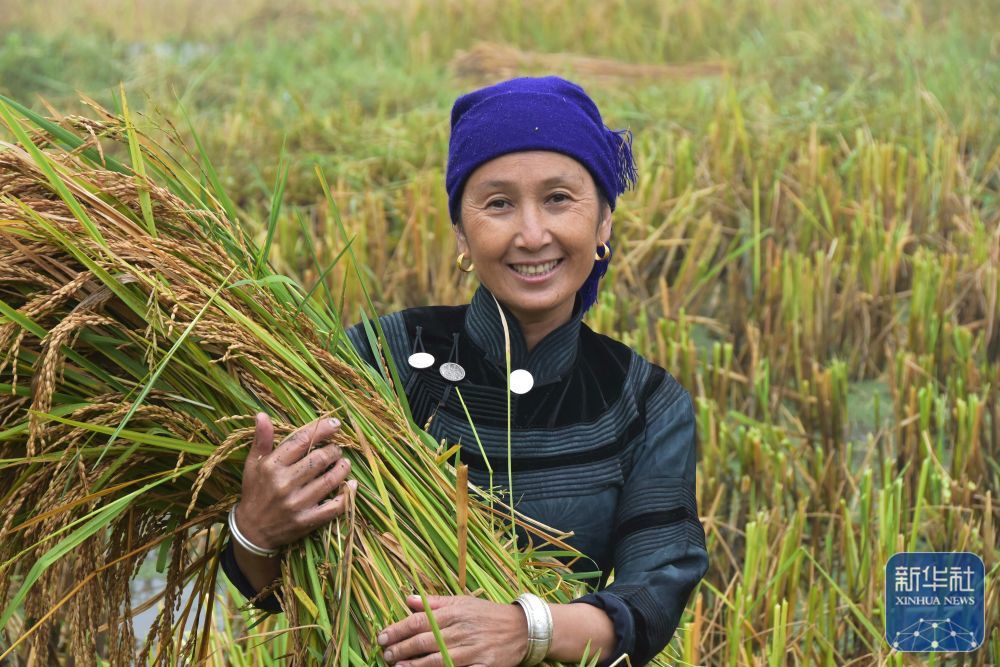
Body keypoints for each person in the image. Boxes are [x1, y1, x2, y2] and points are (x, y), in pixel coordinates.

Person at [222, 76, 709, 667]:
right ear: (461, 230)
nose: (532, 234)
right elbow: (275, 590)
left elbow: (653, 595)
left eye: (559, 198)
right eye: (499, 203)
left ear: (603, 222)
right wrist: (256, 529)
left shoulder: (644, 401)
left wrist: (527, 630)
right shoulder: (376, 359)